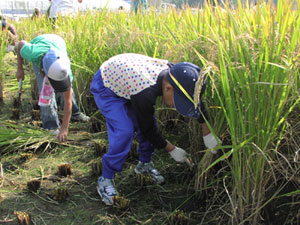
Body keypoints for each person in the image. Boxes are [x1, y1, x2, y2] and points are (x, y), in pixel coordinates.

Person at [90, 53, 221, 205]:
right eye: (177, 101)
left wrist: (207, 131)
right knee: (124, 131)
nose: (174, 106)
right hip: (107, 84)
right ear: (167, 88)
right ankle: (105, 179)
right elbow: (148, 129)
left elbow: (195, 96)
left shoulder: (176, 74)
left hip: (128, 80)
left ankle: (144, 165)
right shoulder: (145, 91)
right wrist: (171, 149)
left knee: (146, 120)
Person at [16, 34, 90, 142]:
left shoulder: (64, 68)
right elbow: (20, 43)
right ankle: (51, 125)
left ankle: (75, 113)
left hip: (58, 46)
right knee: (45, 91)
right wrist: (20, 69)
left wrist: (64, 129)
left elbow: (67, 100)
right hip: (41, 51)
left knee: (68, 90)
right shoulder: (32, 53)